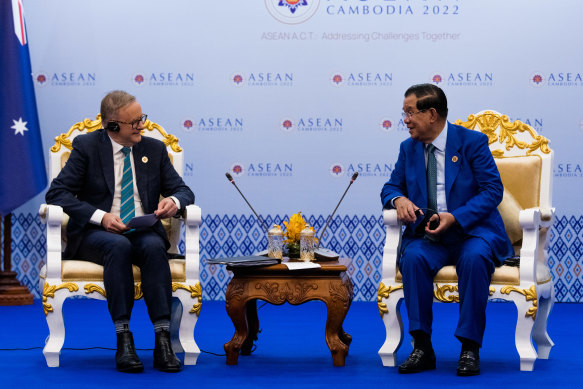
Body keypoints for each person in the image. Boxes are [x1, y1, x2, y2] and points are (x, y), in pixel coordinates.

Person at [46, 90, 194, 373]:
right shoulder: (87, 146)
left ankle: (163, 339)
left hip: (140, 229)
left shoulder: (153, 149)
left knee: (152, 247)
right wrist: (101, 217)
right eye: (134, 122)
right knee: (118, 246)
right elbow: (57, 193)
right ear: (113, 125)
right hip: (95, 234)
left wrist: (173, 202)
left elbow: (184, 191)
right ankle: (123, 338)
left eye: (142, 118)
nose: (142, 125)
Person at [380, 84, 513, 376]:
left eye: (410, 113)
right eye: (404, 113)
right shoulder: (408, 148)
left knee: (475, 258)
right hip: (427, 236)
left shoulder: (472, 142)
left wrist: (455, 216)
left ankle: (469, 348)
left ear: (431, 114)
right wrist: (398, 198)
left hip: (471, 232)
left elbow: (493, 191)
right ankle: (422, 347)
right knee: (413, 258)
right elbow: (390, 187)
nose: (406, 120)